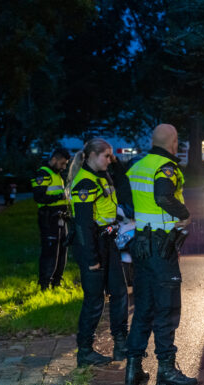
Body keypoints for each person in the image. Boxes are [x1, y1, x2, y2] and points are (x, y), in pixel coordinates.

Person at [124, 123, 198, 385]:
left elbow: (125, 201)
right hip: (161, 246)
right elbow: (163, 196)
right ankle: (166, 369)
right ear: (174, 142)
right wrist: (185, 215)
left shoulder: (136, 166)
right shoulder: (166, 167)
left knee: (143, 306)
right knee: (167, 307)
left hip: (141, 244)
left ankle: (133, 367)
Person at [69, 138, 129, 367]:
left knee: (119, 293)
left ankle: (121, 344)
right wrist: (92, 259)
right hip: (91, 246)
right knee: (94, 301)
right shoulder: (85, 183)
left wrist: (115, 163)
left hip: (108, 243)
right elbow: (83, 227)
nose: (109, 159)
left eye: (110, 156)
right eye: (106, 155)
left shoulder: (102, 176)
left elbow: (123, 186)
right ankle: (84, 351)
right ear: (92, 155)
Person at [31, 147, 71, 291]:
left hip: (60, 218)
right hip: (49, 218)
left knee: (62, 251)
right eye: (62, 163)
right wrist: (60, 197)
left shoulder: (57, 175)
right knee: (50, 251)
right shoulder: (43, 173)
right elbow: (39, 197)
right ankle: (44, 284)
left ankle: (56, 282)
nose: (64, 166)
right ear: (54, 159)